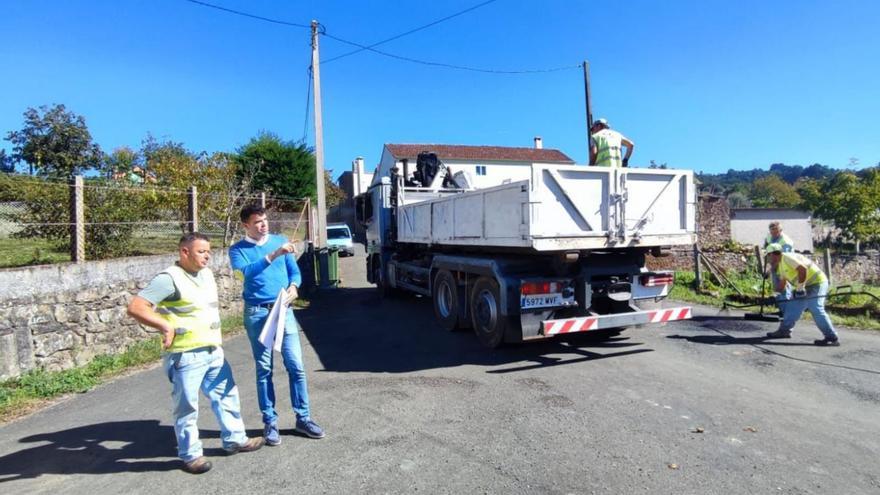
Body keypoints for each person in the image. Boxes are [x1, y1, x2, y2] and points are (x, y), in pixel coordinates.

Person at [127, 232, 264, 474]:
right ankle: (191, 455)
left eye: (208, 251)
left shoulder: (206, 274)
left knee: (226, 395)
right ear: (184, 252)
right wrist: (164, 325)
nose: (207, 256)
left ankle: (235, 439)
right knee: (187, 407)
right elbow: (136, 307)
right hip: (186, 355)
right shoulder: (169, 278)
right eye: (201, 251)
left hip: (212, 349)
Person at [229, 205, 324, 446]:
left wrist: (294, 286)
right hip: (258, 313)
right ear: (246, 225)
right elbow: (246, 274)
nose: (263, 225)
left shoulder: (280, 241)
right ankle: (270, 421)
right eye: (257, 222)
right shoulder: (237, 250)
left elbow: (294, 272)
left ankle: (303, 418)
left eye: (265, 220)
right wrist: (274, 254)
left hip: (284, 309)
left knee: (296, 366)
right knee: (264, 369)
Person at [764, 243, 840, 346]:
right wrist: (774, 296)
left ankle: (832, 337)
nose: (768, 259)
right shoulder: (781, 265)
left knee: (816, 308)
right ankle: (784, 331)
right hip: (805, 286)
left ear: (772, 254)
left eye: (768, 255)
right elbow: (782, 283)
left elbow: (802, 269)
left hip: (817, 283)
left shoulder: (787, 257)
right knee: (792, 308)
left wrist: (800, 288)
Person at [763, 221, 795, 311]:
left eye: (776, 230)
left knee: (784, 288)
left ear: (781, 230)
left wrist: (769, 270)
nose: (774, 233)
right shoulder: (769, 236)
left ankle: (787, 310)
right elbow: (767, 247)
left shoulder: (786, 242)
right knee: (777, 288)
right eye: (772, 231)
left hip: (786, 266)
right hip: (775, 265)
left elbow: (781, 259)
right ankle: (781, 309)